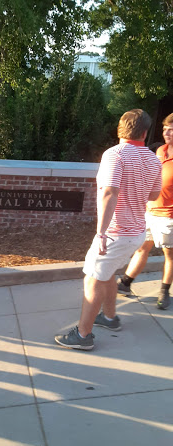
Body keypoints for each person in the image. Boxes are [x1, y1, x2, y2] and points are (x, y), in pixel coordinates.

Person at [55, 109, 162, 351]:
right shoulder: (154, 159)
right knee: (107, 272)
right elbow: (154, 195)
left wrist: (101, 232)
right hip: (136, 232)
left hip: (115, 233)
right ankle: (110, 318)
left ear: (120, 129)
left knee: (93, 278)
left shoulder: (115, 155)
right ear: (145, 133)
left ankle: (83, 335)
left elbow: (109, 192)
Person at [118, 113, 173, 309]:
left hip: (169, 217)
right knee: (143, 248)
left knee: (170, 255)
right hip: (150, 212)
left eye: (172, 129)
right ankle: (125, 283)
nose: (167, 132)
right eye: (165, 128)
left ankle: (164, 292)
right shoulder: (158, 150)